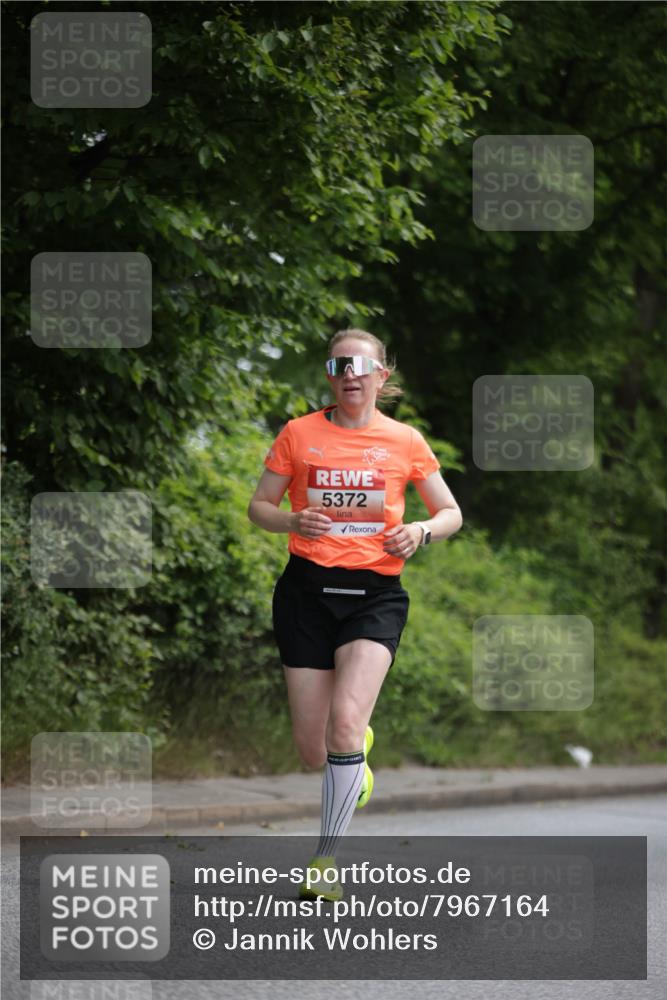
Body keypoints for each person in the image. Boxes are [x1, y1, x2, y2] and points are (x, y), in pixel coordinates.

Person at [247, 328, 463, 900]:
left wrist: (419, 530)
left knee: (343, 720)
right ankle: (354, 750)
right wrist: (292, 521)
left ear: (380, 376)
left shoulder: (404, 440)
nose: (349, 374)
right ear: (331, 374)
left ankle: (324, 863)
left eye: (360, 365)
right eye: (339, 364)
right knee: (314, 748)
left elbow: (449, 512)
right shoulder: (299, 433)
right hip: (305, 594)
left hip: (375, 595)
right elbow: (259, 506)